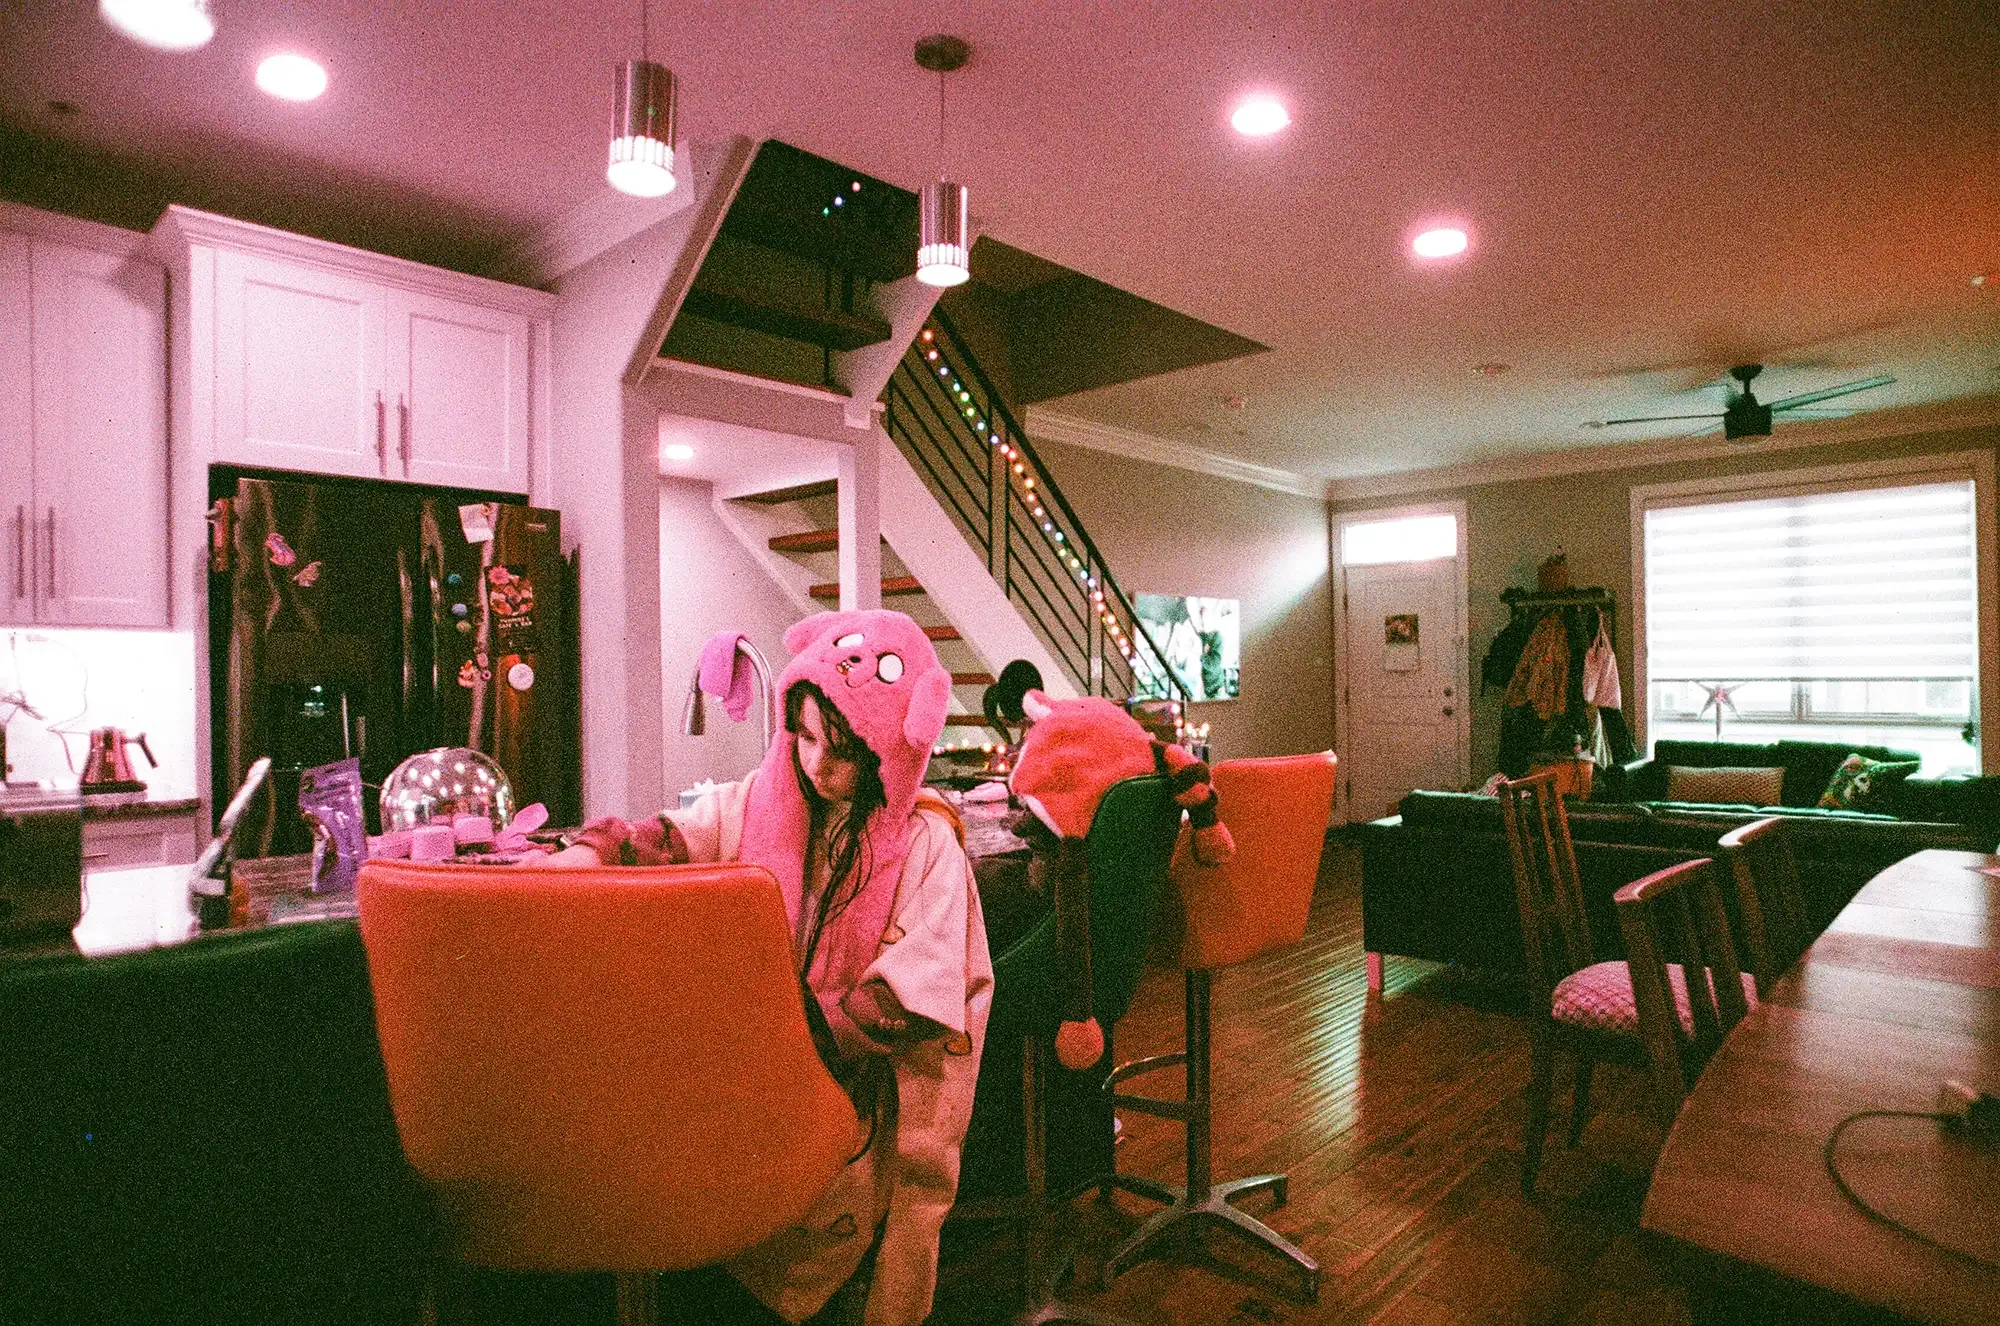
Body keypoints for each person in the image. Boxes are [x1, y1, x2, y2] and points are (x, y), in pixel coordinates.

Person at [540, 609, 992, 1326]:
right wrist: (595, 851)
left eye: (843, 750)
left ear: (890, 747)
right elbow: (675, 835)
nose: (816, 766)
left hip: (846, 1092)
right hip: (761, 1080)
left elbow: (910, 997)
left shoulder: (925, 845)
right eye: (804, 738)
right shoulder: (761, 801)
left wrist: (782, 1040)